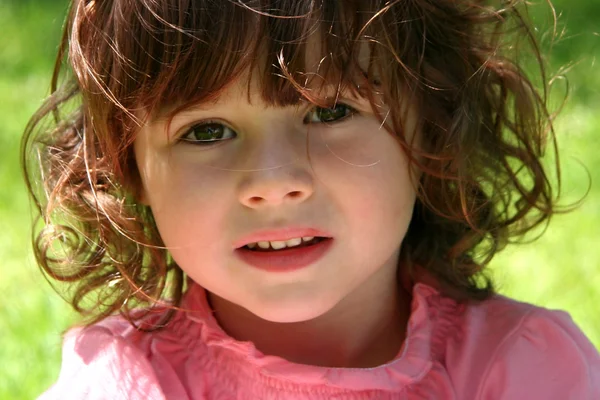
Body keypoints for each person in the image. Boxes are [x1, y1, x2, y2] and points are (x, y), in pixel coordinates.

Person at [23, 0, 599, 398]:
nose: (273, 181)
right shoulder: (123, 384)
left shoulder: (522, 372)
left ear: (431, 129)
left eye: (329, 113)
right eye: (206, 131)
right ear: (128, 169)